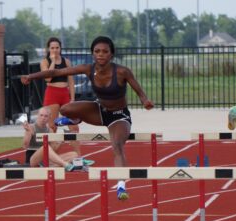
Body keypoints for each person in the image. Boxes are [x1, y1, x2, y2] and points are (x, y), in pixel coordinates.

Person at [21, 36, 154, 200]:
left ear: (111, 54)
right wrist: (31, 76)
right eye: (97, 51)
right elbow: (56, 72)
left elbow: (139, 90)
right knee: (65, 108)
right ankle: (76, 119)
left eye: (105, 51)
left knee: (117, 145)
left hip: (118, 116)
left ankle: (121, 186)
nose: (101, 55)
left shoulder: (122, 71)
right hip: (98, 111)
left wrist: (145, 100)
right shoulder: (88, 68)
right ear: (92, 54)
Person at [41, 37, 82, 156]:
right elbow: (47, 78)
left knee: (74, 127)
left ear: (60, 48)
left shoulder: (66, 62)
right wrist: (53, 61)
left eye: (57, 47)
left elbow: (71, 81)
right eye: (52, 48)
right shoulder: (45, 62)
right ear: (48, 49)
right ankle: (50, 157)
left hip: (64, 94)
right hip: (52, 93)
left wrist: (73, 98)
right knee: (53, 127)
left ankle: (78, 157)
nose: (55, 50)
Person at [23, 107, 94, 170]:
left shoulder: (49, 130)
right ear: (37, 115)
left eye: (45, 116)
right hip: (32, 160)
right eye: (41, 115)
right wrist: (28, 132)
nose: (43, 118)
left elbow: (54, 149)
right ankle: (65, 164)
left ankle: (58, 164)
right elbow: (25, 146)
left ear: (49, 117)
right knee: (46, 147)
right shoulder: (31, 127)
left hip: (45, 161)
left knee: (74, 154)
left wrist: (61, 141)